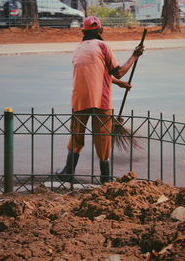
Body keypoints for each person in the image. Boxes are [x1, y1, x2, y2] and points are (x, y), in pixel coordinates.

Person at [56, 16, 144, 184]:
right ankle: (105, 178)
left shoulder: (78, 48)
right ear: (101, 31)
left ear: (83, 32)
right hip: (100, 101)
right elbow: (117, 72)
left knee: (76, 136)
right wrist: (134, 56)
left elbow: (95, 74)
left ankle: (68, 172)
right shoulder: (103, 46)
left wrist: (119, 84)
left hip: (79, 100)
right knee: (102, 137)